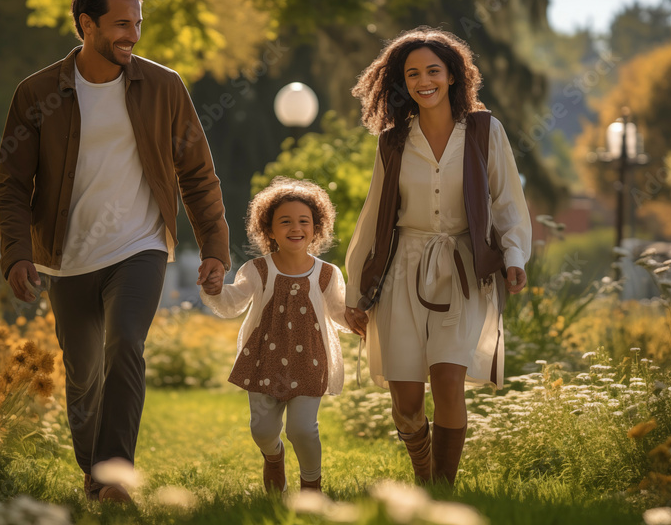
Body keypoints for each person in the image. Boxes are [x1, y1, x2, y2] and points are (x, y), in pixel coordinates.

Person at [0, 0, 230, 503]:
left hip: (139, 246)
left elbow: (197, 173)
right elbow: (11, 185)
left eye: (137, 24)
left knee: (125, 342)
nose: (133, 35)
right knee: (83, 376)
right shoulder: (37, 93)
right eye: (121, 24)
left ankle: (115, 476)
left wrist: (214, 247)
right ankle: (94, 474)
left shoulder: (163, 87)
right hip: (66, 256)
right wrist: (17, 253)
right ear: (87, 25)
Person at [344, 27, 531, 484]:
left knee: (449, 381)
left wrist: (514, 257)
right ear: (402, 82)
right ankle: (424, 477)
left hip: (463, 267)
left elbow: (508, 201)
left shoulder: (485, 130)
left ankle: (442, 489)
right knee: (406, 404)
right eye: (413, 74)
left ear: (452, 76)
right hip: (402, 270)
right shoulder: (392, 141)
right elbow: (373, 215)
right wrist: (355, 292)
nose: (423, 81)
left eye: (433, 71)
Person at [200, 177, 348, 494]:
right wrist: (215, 290)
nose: (296, 228)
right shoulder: (258, 270)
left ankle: (311, 485)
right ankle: (273, 455)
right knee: (263, 429)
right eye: (285, 221)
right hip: (263, 360)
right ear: (269, 230)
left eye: (304, 221)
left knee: (303, 430)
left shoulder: (327, 273)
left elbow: (340, 312)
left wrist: (361, 318)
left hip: (310, 362)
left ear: (316, 228)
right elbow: (233, 302)